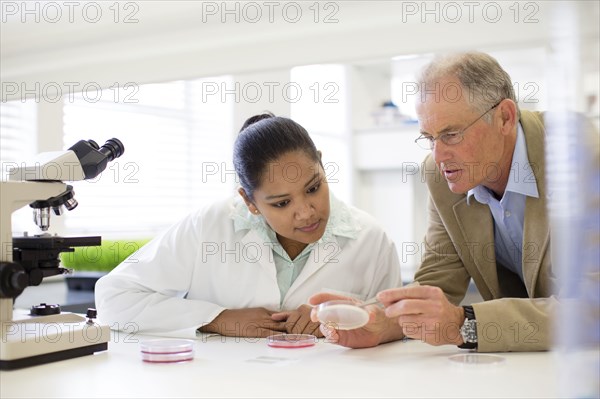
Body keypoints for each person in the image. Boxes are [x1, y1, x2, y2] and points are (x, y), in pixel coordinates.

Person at [311, 51, 595, 352]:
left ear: (505, 117)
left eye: (452, 134)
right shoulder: (440, 175)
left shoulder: (580, 155)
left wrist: (466, 324)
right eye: (429, 137)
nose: (438, 155)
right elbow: (440, 279)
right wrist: (380, 320)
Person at [95, 113, 402, 338]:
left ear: (321, 164)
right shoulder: (208, 226)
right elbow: (113, 298)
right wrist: (216, 318)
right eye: (282, 203)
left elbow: (395, 325)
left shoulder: (370, 239)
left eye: (313, 188)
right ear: (250, 201)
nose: (306, 212)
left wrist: (337, 318)